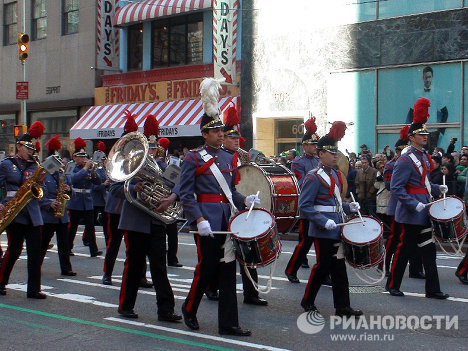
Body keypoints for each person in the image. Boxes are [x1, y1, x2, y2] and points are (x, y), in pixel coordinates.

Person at [180, 77, 256, 336]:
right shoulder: (193, 157)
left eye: (222, 130)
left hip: (227, 221)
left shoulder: (229, 157)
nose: (221, 134)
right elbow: (186, 194)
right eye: (216, 131)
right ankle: (189, 309)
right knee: (207, 268)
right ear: (205, 134)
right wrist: (198, 219)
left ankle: (229, 324)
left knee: (227, 272)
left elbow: (230, 191)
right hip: (207, 221)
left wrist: (245, 201)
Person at [116, 113, 181, 323]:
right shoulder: (128, 164)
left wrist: (172, 195)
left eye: (154, 149)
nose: (152, 152)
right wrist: (135, 187)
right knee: (134, 265)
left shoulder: (161, 166)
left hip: (156, 220)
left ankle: (166, 310)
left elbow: (177, 183)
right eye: (149, 148)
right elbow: (115, 189)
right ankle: (126, 306)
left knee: (159, 267)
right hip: (136, 221)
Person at [298, 121, 362, 317]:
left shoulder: (334, 174)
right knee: (322, 266)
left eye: (336, 152)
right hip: (322, 228)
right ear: (320, 154)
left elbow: (335, 202)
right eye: (331, 152)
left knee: (339, 267)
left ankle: (342, 306)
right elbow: (305, 206)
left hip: (337, 225)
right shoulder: (313, 177)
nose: (335, 156)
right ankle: (307, 300)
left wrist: (349, 207)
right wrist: (322, 221)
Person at [386, 97, 448, 299]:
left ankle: (433, 289)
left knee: (429, 251)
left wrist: (439, 188)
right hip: (410, 213)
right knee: (404, 251)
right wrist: (414, 204)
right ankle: (393, 284)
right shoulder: (405, 160)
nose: (425, 136)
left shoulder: (423, 157)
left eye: (426, 133)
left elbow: (425, 185)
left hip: (425, 210)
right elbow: (396, 188)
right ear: (411, 137)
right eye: (421, 134)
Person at [221, 104, 267, 306]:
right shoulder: (218, 157)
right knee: (222, 255)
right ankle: (213, 288)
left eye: (237, 138)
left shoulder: (243, 156)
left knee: (249, 251)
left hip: (242, 207)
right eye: (232, 138)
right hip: (224, 209)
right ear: (223, 138)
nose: (236, 141)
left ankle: (251, 294)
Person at [0, 122, 48, 298]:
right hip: (15, 211)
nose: (31, 151)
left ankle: (34, 289)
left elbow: (40, 188)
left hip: (33, 212)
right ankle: (1, 282)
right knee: (14, 249)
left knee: (36, 251)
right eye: (28, 148)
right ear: (19, 147)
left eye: (32, 149)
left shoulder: (35, 165)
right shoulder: (6, 164)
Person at [382, 126, 423, 278]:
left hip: (411, 204)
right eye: (401, 150)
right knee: (394, 238)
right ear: (397, 151)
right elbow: (389, 185)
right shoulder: (391, 165)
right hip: (397, 205)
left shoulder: (417, 160)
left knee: (413, 239)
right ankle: (384, 265)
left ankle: (415, 268)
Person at [285, 117, 320, 282]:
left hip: (320, 204)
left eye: (315, 145)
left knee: (322, 243)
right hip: (307, 204)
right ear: (304, 145)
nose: (315, 147)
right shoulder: (298, 162)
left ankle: (323, 273)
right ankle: (291, 270)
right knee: (305, 242)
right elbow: (300, 183)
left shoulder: (319, 160)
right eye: (312, 145)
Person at [39, 136, 76, 277]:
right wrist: (49, 203)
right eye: (56, 161)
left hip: (62, 215)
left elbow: (71, 190)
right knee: (43, 243)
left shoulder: (62, 174)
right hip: (48, 215)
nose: (59, 164)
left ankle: (66, 268)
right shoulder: (43, 174)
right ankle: (37, 265)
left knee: (64, 244)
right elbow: (39, 194)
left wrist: (68, 189)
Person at [67, 138, 103, 257]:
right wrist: (85, 169)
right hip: (76, 200)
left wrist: (93, 172)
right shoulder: (72, 167)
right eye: (80, 157)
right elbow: (73, 179)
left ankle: (93, 249)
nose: (83, 159)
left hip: (87, 200)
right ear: (75, 157)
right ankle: (67, 248)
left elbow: (97, 182)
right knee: (72, 227)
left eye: (84, 157)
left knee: (90, 227)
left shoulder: (88, 169)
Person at [83, 141, 109, 246]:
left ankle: (108, 241)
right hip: (94, 199)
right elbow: (93, 186)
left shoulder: (103, 169)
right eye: (102, 159)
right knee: (91, 223)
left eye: (104, 159)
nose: (103, 161)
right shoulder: (94, 169)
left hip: (102, 200)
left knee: (106, 223)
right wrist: (104, 184)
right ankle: (87, 239)